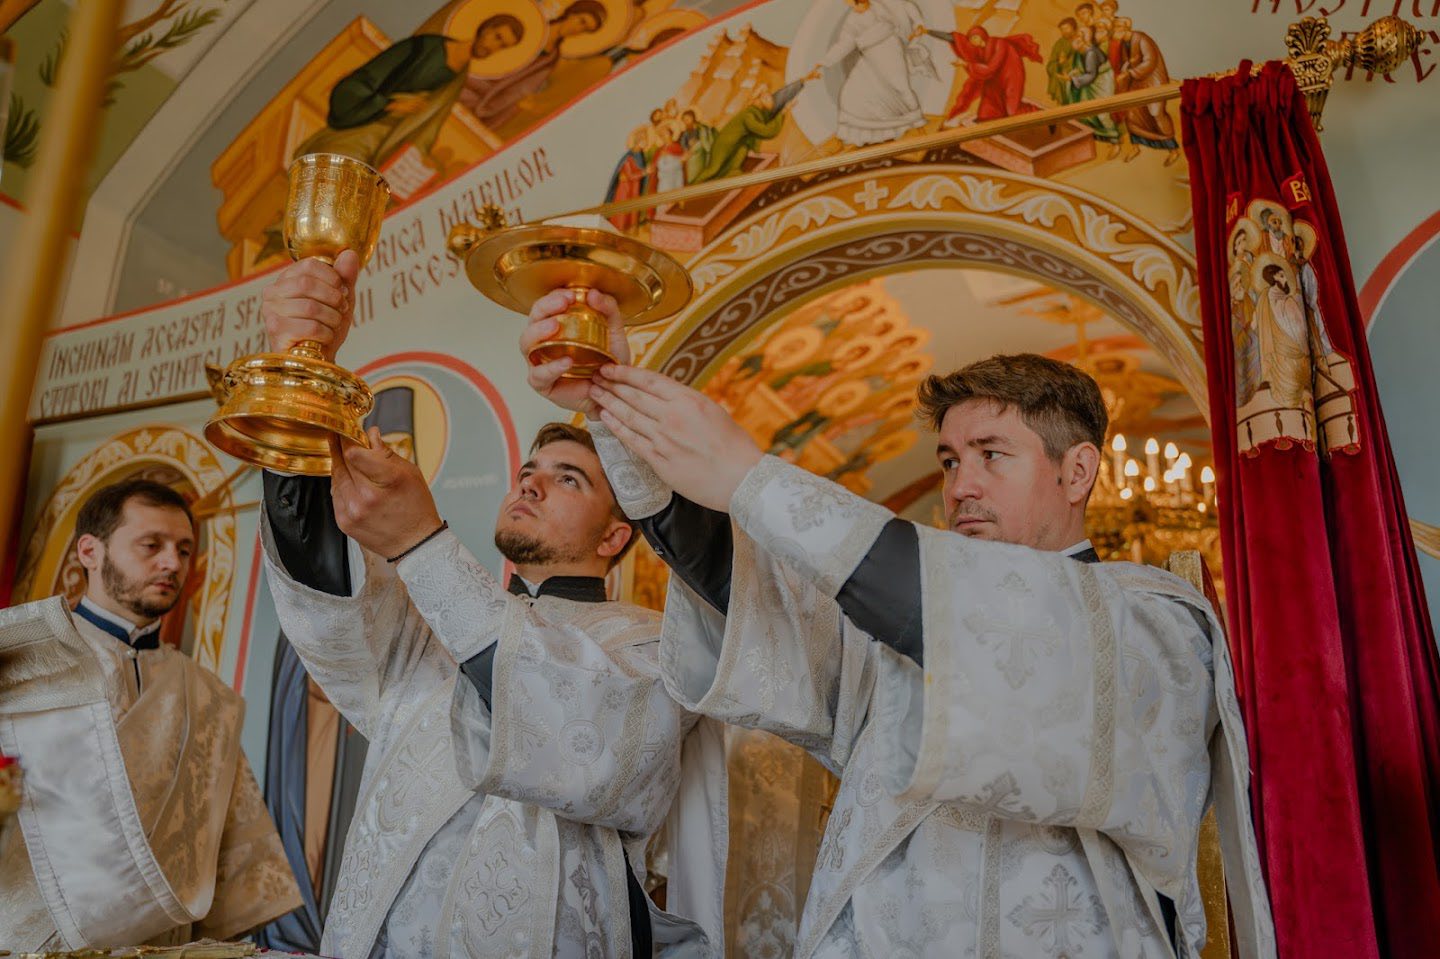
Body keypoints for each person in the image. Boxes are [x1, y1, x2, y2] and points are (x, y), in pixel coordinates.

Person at [519, 298, 1278, 958]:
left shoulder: (1154, 620)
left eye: (992, 455)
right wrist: (609, 405)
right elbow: (754, 592)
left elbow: (988, 624)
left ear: (1077, 472)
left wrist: (752, 477)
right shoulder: (890, 638)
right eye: (948, 461)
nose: (961, 487)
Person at [255, 257, 725, 958]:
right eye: (528, 472)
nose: (530, 485)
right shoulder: (429, 630)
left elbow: (582, 742)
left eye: (568, 479)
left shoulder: (653, 647)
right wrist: (302, 372)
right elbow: (328, 591)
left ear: (615, 535)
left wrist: (421, 544)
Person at [0, 480, 300, 950]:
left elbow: (229, 853)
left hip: (158, 947)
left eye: (184, 550)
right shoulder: (20, 660)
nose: (172, 563)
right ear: (89, 551)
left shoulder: (209, 698)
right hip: (29, 940)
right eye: (151, 545)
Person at [807, 0, 931, 147]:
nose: (848, 4)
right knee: (852, 92)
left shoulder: (879, 5)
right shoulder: (852, 20)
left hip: (890, 51)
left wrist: (918, 24)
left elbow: (904, 8)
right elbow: (844, 44)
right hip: (870, 57)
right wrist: (824, 62)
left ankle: (918, 125)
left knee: (900, 87)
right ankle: (880, 132)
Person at [921, 24, 1042, 124]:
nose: (972, 41)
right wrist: (927, 31)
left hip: (1011, 76)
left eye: (974, 38)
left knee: (1012, 110)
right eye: (971, 39)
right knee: (988, 112)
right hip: (995, 78)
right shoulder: (980, 50)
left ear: (982, 36)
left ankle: (1038, 112)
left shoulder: (1000, 44)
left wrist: (966, 64)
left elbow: (990, 69)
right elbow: (954, 38)